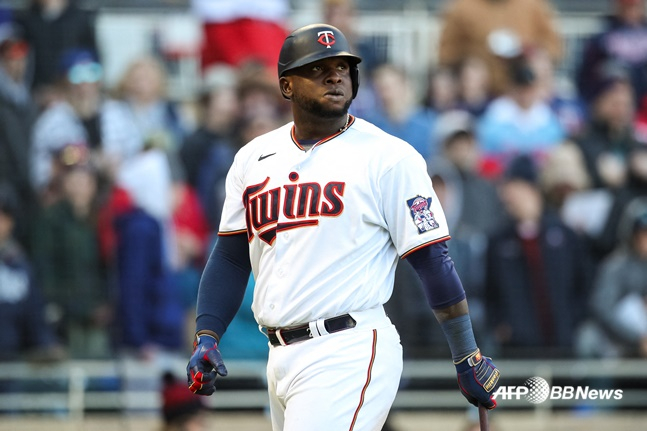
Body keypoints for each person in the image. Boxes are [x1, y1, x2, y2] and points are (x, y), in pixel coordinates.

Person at [186, 24, 500, 431]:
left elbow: (432, 260)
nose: (335, 76)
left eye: (343, 68)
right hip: (279, 355)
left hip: (348, 347)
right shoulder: (253, 158)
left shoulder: (389, 156)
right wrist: (207, 335)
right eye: (318, 68)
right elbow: (230, 257)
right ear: (286, 85)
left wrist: (466, 353)